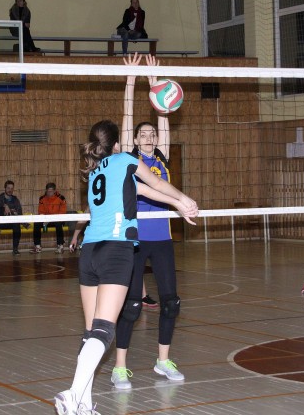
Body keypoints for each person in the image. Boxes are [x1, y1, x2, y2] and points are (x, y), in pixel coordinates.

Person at [54, 119, 198, 415]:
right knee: (104, 331)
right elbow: (156, 182)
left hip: (89, 253)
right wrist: (185, 199)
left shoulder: (96, 170)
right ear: (117, 144)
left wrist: (177, 206)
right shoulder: (124, 161)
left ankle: (82, 403)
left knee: (90, 332)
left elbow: (143, 191)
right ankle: (73, 394)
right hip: (116, 251)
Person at [108, 53, 185, 391]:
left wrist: (156, 83)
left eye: (152, 133)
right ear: (136, 140)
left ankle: (163, 360)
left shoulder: (162, 156)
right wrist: (131, 81)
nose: (150, 136)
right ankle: (119, 367)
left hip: (163, 240)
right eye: (144, 134)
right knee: (132, 306)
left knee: (171, 302)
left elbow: (163, 113)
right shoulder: (130, 158)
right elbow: (126, 119)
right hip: (135, 241)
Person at [33, 182, 67, 254]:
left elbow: (62, 212)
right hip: (46, 220)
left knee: (58, 224)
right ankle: (37, 246)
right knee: (36, 223)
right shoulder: (42, 199)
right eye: (48, 191)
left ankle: (60, 245)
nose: (49, 193)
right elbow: (41, 211)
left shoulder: (61, 198)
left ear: (54, 191)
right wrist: (45, 219)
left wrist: (51, 218)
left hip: (58, 219)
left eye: (51, 191)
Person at [0, 180, 24, 255]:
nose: (10, 190)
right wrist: (5, 205)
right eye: (8, 188)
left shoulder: (15, 199)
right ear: (5, 188)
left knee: (16, 224)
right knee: (1, 208)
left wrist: (14, 212)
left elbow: (20, 212)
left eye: (12, 188)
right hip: (2, 222)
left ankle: (15, 249)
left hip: (12, 221)